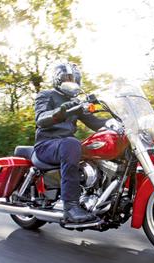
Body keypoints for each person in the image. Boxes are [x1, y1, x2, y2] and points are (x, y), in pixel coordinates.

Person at [34, 62, 107, 223]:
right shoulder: (46, 95)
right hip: (46, 145)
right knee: (72, 143)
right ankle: (71, 207)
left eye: (75, 79)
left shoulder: (76, 103)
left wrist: (119, 122)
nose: (72, 82)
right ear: (57, 79)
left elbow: (95, 123)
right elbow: (41, 119)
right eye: (68, 78)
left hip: (64, 146)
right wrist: (61, 111)